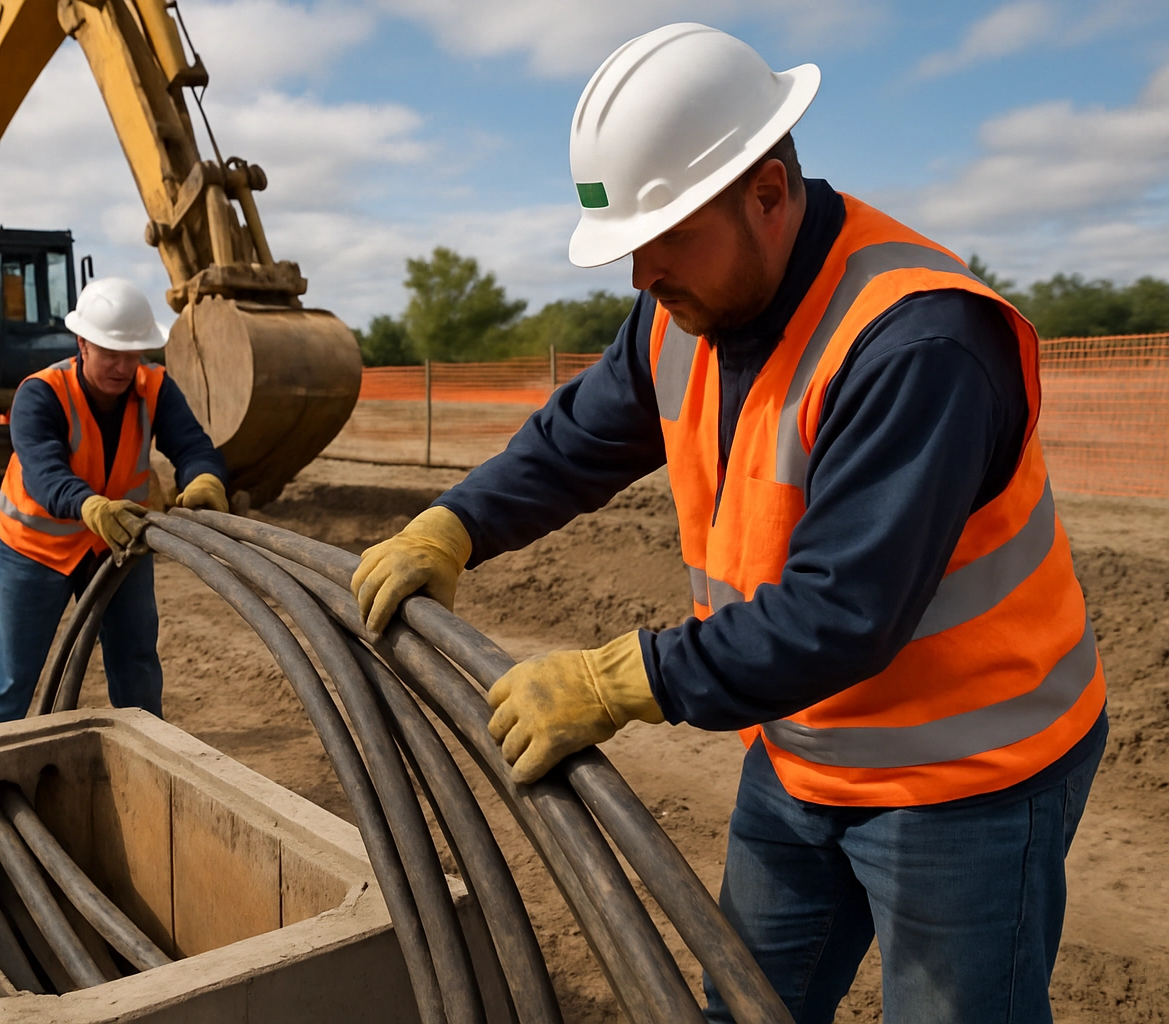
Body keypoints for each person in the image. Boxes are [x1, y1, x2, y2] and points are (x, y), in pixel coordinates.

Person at [351, 24, 1106, 1024]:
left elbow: (844, 611)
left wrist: (620, 678)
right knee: (744, 1005)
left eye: (667, 236)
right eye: (630, 245)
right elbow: (575, 440)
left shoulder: (917, 341)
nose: (641, 275)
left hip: (964, 778)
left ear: (767, 190)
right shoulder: (682, 309)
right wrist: (450, 525)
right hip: (801, 746)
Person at [0, 276, 227, 727]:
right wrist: (91, 506)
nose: (123, 367)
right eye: (111, 353)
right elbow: (46, 472)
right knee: (11, 681)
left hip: (116, 545)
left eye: (133, 354)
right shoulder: (41, 394)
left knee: (138, 671)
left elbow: (191, 445)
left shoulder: (155, 388)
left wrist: (204, 477)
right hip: (36, 551)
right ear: (82, 345)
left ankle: (151, 767)